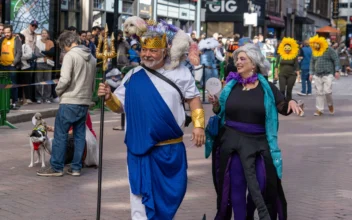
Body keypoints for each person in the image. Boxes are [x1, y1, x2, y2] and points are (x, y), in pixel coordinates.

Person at [98, 18, 205, 219]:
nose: (147, 54)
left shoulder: (180, 73)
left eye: (153, 51)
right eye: (144, 50)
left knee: (171, 195)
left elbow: (194, 100)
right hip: (139, 149)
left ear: (165, 51)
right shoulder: (133, 75)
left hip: (169, 149)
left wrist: (199, 126)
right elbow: (119, 107)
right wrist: (108, 97)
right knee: (138, 199)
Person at [208, 43, 302, 220]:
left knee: (262, 184)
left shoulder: (266, 87)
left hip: (259, 144)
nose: (238, 62)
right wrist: (215, 105)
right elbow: (220, 112)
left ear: (254, 63)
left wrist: (291, 103)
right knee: (235, 186)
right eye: (237, 59)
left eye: (242, 59)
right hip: (232, 142)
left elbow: (282, 106)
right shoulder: (230, 85)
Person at [37, 31, 97, 177]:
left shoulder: (70, 56)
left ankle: (56, 167)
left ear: (68, 43)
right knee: (79, 135)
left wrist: (57, 91)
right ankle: (76, 167)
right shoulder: (92, 58)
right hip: (84, 101)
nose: (64, 50)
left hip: (70, 100)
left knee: (60, 134)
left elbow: (64, 80)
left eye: (63, 47)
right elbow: (93, 82)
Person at [309, 35, 340, 116]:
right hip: (317, 74)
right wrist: (311, 73)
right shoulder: (314, 51)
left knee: (327, 91)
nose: (315, 46)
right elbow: (312, 62)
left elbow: (336, 59)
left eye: (317, 44)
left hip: (328, 74)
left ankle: (330, 105)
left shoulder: (329, 50)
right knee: (319, 92)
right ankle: (319, 109)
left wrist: (337, 70)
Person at [0, 25, 22, 110]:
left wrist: (14, 63)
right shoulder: (2, 40)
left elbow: (19, 53)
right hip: (2, 65)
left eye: (8, 32)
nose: (6, 34)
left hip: (12, 66)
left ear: (11, 32)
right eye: (5, 32)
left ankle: (14, 102)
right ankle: (4, 103)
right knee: (3, 85)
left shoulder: (16, 39)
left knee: (13, 84)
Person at [274, 37, 300, 101]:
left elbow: (297, 66)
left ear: (291, 48)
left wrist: (298, 76)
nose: (287, 50)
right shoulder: (280, 55)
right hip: (282, 74)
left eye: (288, 48)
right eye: (286, 48)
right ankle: (282, 103)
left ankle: (289, 103)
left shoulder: (294, 56)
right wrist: (276, 74)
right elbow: (276, 66)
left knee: (289, 90)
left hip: (291, 75)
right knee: (282, 90)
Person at [34, 29, 55, 104]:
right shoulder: (37, 42)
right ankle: (39, 97)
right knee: (38, 81)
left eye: (45, 33)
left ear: (48, 34)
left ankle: (47, 97)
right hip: (39, 63)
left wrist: (42, 52)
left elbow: (52, 53)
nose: (43, 34)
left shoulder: (51, 42)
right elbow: (36, 53)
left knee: (48, 81)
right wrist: (47, 53)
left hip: (48, 63)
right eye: (42, 33)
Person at [18, 33, 34, 105]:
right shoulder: (14, 46)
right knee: (18, 84)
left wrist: (20, 57)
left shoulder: (25, 46)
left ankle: (28, 98)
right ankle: (19, 98)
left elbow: (29, 55)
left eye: (18, 37)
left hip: (25, 67)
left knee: (27, 83)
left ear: (22, 38)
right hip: (17, 68)